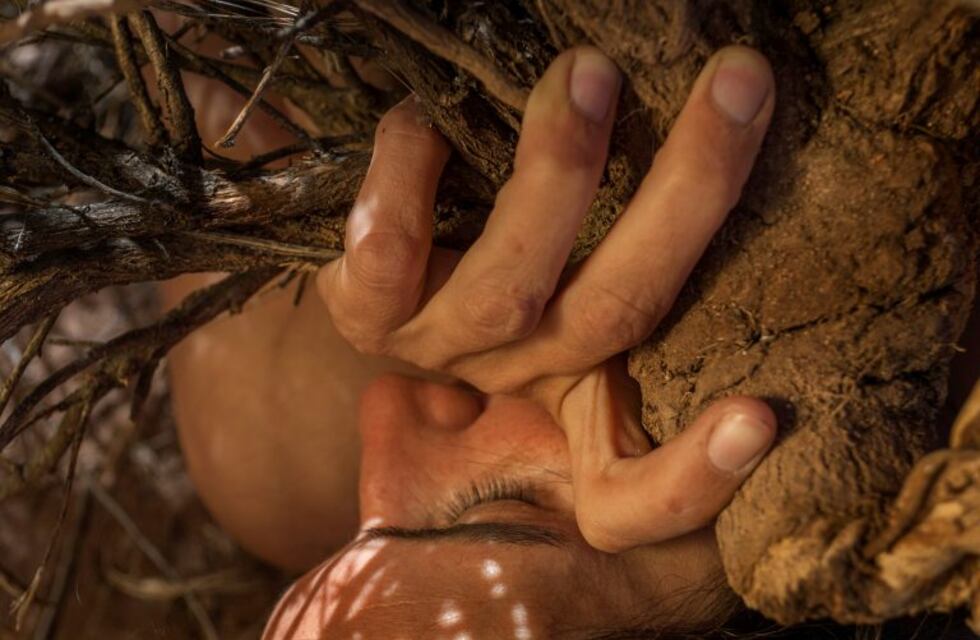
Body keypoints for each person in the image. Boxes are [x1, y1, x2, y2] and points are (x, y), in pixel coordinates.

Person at [163, 40, 783, 637]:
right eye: (504, 500)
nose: (387, 404)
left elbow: (194, 48)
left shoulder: (268, 453)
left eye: (349, 537)